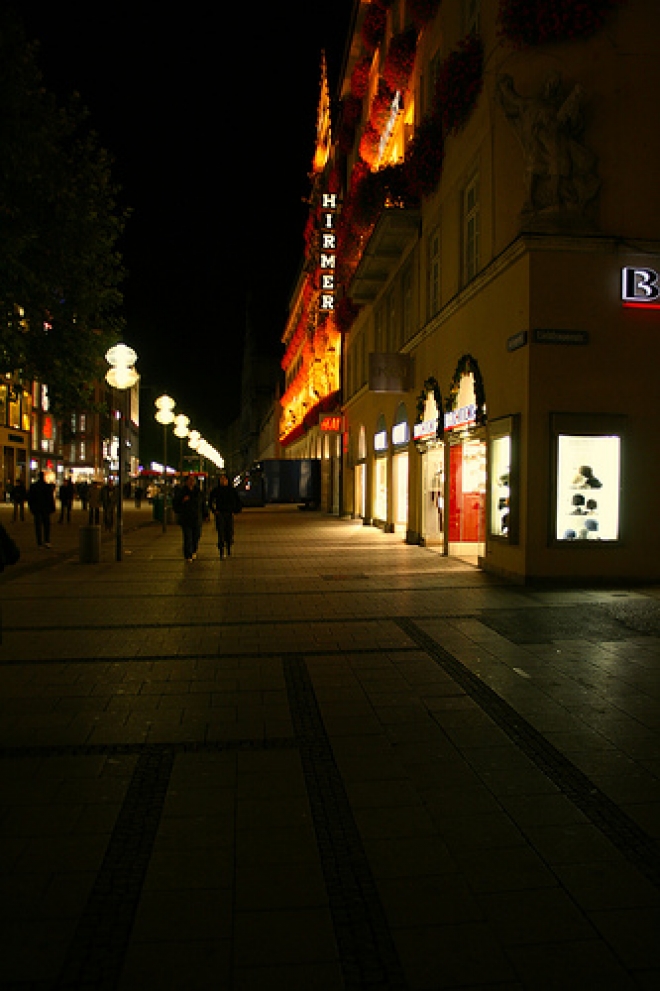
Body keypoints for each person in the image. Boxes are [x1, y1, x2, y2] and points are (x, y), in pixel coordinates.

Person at [208, 473, 242, 558]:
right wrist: (214, 511)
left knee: (229, 531)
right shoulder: (216, 490)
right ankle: (221, 549)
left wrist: (235, 510)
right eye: (221, 479)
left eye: (224, 479)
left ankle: (229, 546)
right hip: (220, 514)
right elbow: (210, 501)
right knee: (220, 532)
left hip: (229, 513)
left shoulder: (231, 490)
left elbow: (238, 501)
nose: (223, 481)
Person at [172, 473, 203, 562]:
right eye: (189, 480)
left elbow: (202, 503)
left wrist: (205, 514)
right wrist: (182, 501)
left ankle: (193, 550)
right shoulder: (182, 491)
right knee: (187, 537)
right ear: (186, 482)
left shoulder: (198, 491)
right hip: (186, 518)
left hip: (196, 518)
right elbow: (175, 504)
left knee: (196, 536)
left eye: (193, 480)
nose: (191, 482)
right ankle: (188, 554)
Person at [27, 471, 56, 548]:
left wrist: (31, 508)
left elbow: (30, 498)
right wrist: (52, 508)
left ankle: (39, 542)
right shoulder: (47, 487)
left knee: (38, 525)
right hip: (45, 508)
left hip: (37, 508)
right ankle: (47, 540)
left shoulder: (33, 486)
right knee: (46, 525)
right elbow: (50, 498)